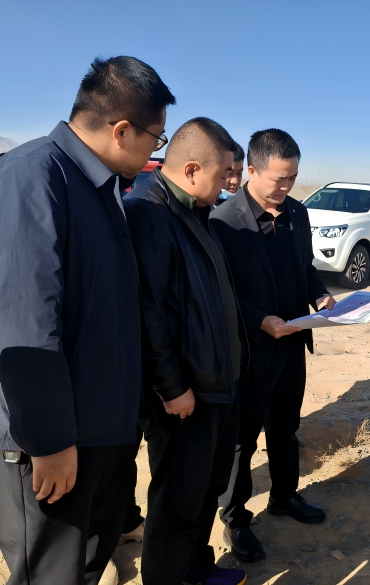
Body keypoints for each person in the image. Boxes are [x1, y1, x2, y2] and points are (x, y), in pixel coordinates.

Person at [0, 56, 175, 585]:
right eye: (156, 138)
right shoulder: (32, 176)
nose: (156, 150)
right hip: (47, 442)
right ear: (121, 129)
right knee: (50, 573)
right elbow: (20, 319)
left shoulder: (98, 186)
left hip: (94, 430)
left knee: (83, 565)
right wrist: (49, 440)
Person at [123, 118, 247, 585]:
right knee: (177, 498)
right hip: (185, 396)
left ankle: (196, 570)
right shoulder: (149, 213)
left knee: (205, 489)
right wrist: (172, 386)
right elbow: (149, 313)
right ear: (193, 170)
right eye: (222, 174)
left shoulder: (195, 211)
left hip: (216, 383)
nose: (228, 184)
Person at [211, 129, 335, 563]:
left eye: (293, 178)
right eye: (279, 179)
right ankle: (236, 518)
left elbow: (306, 268)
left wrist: (321, 296)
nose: (287, 187)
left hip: (292, 341)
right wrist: (260, 320)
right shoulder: (224, 222)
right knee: (242, 439)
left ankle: (284, 496)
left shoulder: (298, 213)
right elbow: (221, 291)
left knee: (285, 427)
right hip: (250, 349)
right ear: (252, 170)